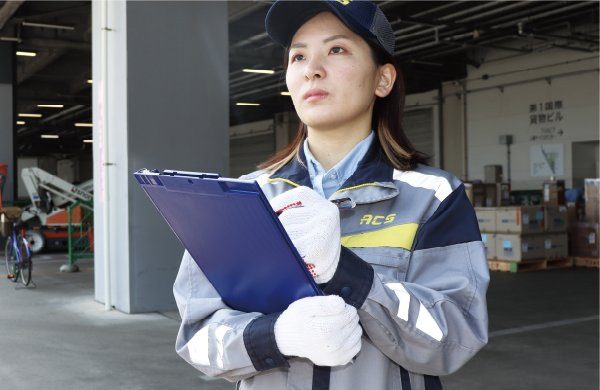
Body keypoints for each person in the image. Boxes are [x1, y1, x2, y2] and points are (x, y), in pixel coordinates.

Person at [173, 0, 489, 389]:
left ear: (383, 80)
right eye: (298, 56)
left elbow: (454, 339)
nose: (312, 69)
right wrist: (276, 337)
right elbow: (197, 339)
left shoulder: (433, 197)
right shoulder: (241, 199)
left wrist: (350, 277)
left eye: (336, 49)